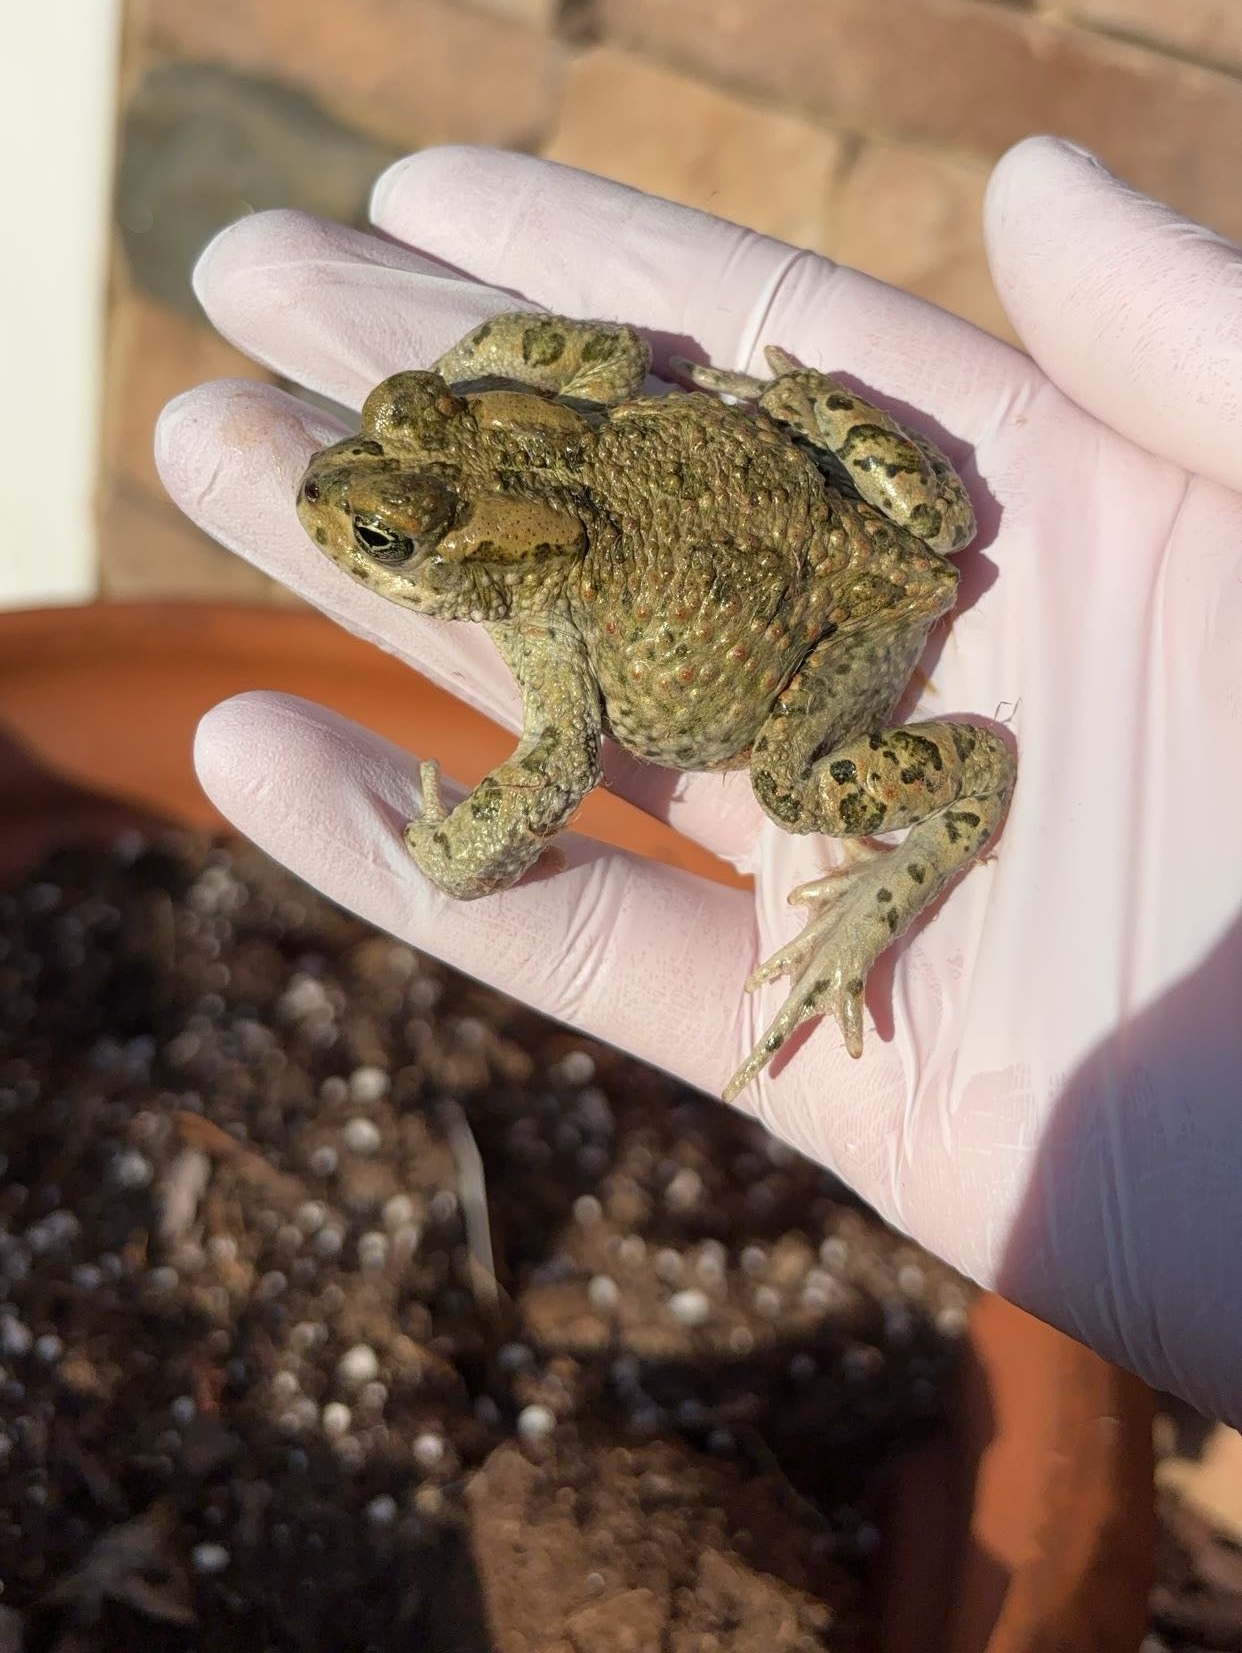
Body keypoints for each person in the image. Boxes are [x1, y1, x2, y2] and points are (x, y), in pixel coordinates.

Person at [156, 134, 1242, 1425]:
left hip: (839, 627)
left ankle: (947, 820)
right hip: (825, 488)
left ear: (465, 570)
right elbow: (612, 361)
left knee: (794, 789)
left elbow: (558, 756)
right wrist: (477, 383)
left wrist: (454, 857)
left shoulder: (540, 599)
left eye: (381, 537)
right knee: (910, 523)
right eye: (405, 420)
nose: (333, 507)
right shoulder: (544, 448)